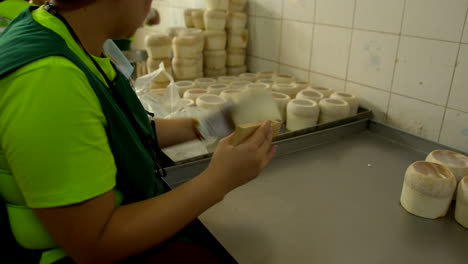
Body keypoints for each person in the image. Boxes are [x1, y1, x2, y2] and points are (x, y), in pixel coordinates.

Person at [0, 0, 276, 263]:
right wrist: (218, 180)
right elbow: (95, 244)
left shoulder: (60, 31)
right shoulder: (50, 79)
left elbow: (117, 128)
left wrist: (209, 124)